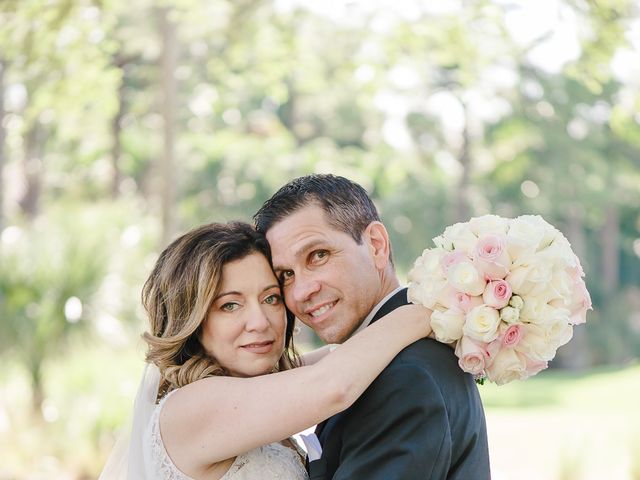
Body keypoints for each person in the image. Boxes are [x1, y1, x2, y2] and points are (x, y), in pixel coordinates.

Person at [99, 221, 432, 479]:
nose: (259, 322)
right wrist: (443, 307)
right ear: (193, 321)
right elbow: (333, 385)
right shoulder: (189, 407)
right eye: (230, 306)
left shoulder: (254, 388)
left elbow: (340, 356)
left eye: (271, 298)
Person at [254, 174, 491, 480]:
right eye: (286, 274)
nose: (301, 292)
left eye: (318, 255)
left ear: (376, 245)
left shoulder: (407, 376)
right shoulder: (372, 360)